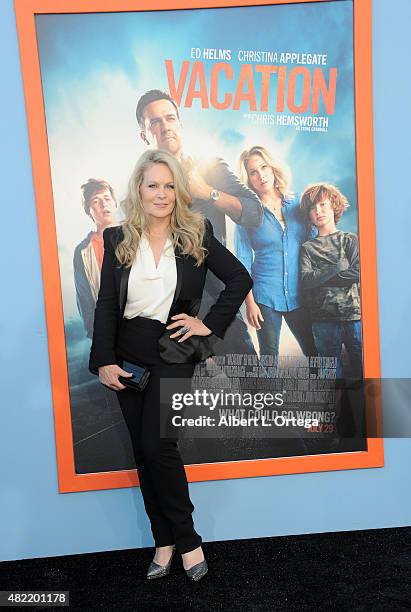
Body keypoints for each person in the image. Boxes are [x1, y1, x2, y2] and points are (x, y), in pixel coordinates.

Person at [89, 149, 252, 581]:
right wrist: (103, 360)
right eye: (152, 185)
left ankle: (188, 537)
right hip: (127, 352)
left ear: (178, 190)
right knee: (144, 452)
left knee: (159, 445)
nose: (161, 194)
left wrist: (207, 325)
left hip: (175, 349)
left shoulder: (196, 231)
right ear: (138, 190)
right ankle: (162, 540)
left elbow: (239, 278)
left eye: (168, 185)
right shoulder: (118, 238)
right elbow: (107, 303)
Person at [135, 89, 263, 356]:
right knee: (177, 397)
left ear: (180, 123)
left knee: (255, 388)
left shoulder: (210, 167)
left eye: (170, 118)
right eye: (154, 122)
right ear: (144, 135)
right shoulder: (140, 186)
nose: (165, 127)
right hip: (167, 311)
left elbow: (254, 212)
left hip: (218, 302)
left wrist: (206, 191)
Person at [236, 146, 317, 360]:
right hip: (265, 296)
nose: (260, 175)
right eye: (253, 172)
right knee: (269, 358)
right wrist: (250, 302)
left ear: (273, 168)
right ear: (248, 179)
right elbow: (243, 260)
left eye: (263, 167)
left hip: (300, 294)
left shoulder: (299, 204)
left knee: (315, 353)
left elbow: (316, 243)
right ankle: (268, 396)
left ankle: (331, 394)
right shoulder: (246, 213)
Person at [299, 183, 363, 379]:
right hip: (322, 321)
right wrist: (336, 267)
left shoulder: (349, 240)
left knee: (365, 375)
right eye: (312, 208)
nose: (318, 211)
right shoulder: (307, 248)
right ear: (308, 215)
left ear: (334, 206)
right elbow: (306, 280)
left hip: (353, 317)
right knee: (332, 380)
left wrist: (322, 277)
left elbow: (358, 272)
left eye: (323, 205)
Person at [73, 179, 118, 338]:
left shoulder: (136, 238)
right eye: (95, 201)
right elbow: (84, 298)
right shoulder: (83, 252)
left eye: (107, 199)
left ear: (114, 203)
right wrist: (96, 333)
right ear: (88, 211)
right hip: (107, 334)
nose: (103, 204)